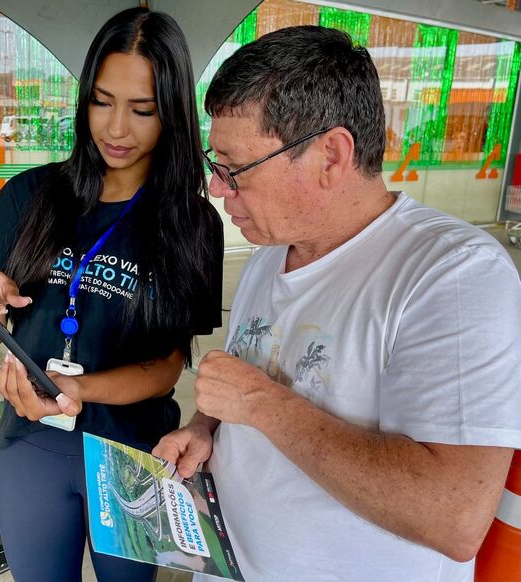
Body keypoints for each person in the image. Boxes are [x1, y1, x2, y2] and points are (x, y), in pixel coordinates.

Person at [153, 25, 521, 582]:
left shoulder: (453, 273)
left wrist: (261, 404)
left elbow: (452, 516)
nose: (218, 188)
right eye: (215, 162)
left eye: (235, 168)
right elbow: (243, 384)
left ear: (332, 155)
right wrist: (206, 427)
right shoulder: (270, 252)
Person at [0, 7, 223, 582]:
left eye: (142, 110)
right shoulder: (30, 195)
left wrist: (78, 388)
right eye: (102, 102)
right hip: (31, 440)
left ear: (172, 112)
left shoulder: (192, 224)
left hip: (134, 453)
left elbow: (168, 367)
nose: (117, 129)